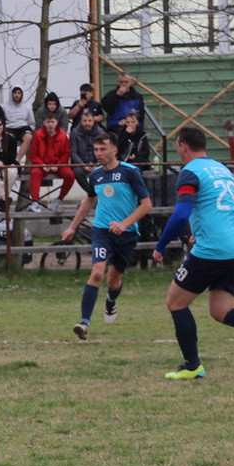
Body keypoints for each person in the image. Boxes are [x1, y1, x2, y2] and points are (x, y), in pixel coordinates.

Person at [152, 127, 234, 379]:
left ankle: (192, 366)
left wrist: (160, 245)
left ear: (183, 146)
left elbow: (181, 215)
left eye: (177, 145)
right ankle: (192, 366)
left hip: (213, 250)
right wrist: (205, 230)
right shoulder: (223, 170)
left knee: (176, 302)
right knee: (222, 311)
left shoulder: (190, 172)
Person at [61, 131, 152, 340]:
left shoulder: (130, 172)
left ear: (115, 150)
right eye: (96, 149)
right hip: (102, 230)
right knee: (97, 273)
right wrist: (72, 227)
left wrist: (124, 224)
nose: (98, 153)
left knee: (113, 281)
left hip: (126, 233)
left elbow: (147, 205)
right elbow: (89, 201)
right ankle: (84, 323)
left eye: (103, 149)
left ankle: (111, 300)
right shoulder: (95, 175)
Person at [28, 113, 74, 212]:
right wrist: (42, 165)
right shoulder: (38, 134)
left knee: (70, 175)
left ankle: (59, 199)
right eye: (48, 122)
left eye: (52, 122)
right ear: (44, 123)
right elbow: (33, 154)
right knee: (35, 173)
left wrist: (58, 165)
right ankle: (35, 202)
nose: (50, 125)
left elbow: (66, 154)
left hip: (58, 164)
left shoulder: (63, 136)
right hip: (42, 164)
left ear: (57, 122)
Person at [69, 108, 103, 197]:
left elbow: (103, 150)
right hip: (81, 163)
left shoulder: (100, 133)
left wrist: (98, 164)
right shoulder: (75, 133)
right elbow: (73, 152)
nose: (87, 123)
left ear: (93, 121)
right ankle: (92, 194)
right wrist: (83, 165)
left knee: (103, 170)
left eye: (89, 120)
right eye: (84, 121)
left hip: (97, 162)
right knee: (77, 172)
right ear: (81, 121)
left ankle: (100, 194)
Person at [0, 86, 35, 163]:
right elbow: (1, 121)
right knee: (9, 138)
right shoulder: (4, 107)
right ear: (11, 94)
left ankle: (17, 160)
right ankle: (10, 160)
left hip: (23, 128)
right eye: (15, 93)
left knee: (28, 137)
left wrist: (31, 130)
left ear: (22, 94)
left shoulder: (27, 107)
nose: (16, 95)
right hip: (10, 127)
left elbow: (32, 122)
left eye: (19, 93)